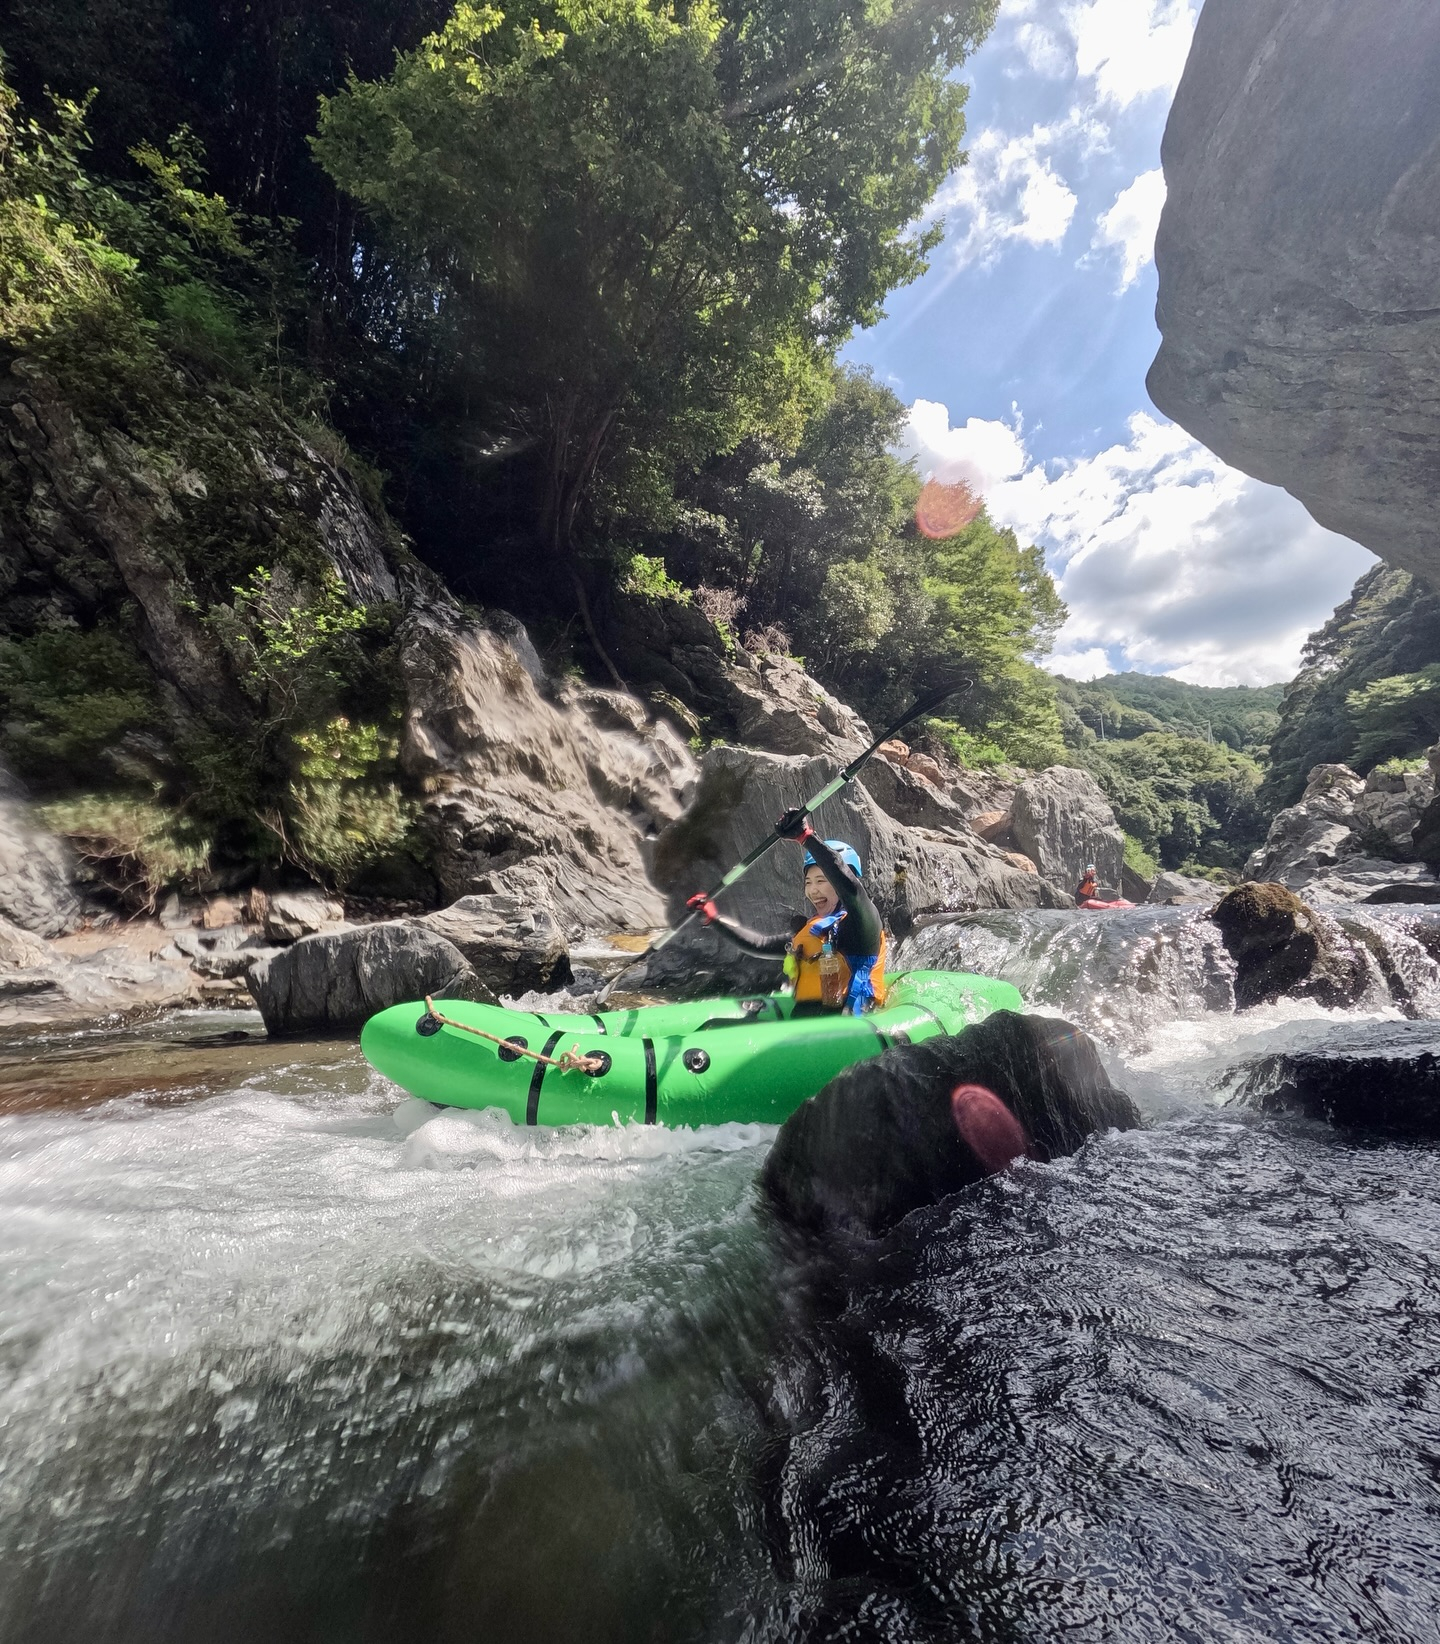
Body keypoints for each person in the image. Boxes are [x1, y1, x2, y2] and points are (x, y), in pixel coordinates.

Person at [688, 809, 887, 1015]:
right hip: (805, 1027)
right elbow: (759, 944)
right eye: (808, 882)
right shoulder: (813, 931)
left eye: (821, 881)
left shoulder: (863, 925)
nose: (813, 890)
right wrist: (713, 919)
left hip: (847, 1028)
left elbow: (850, 888)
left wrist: (806, 837)